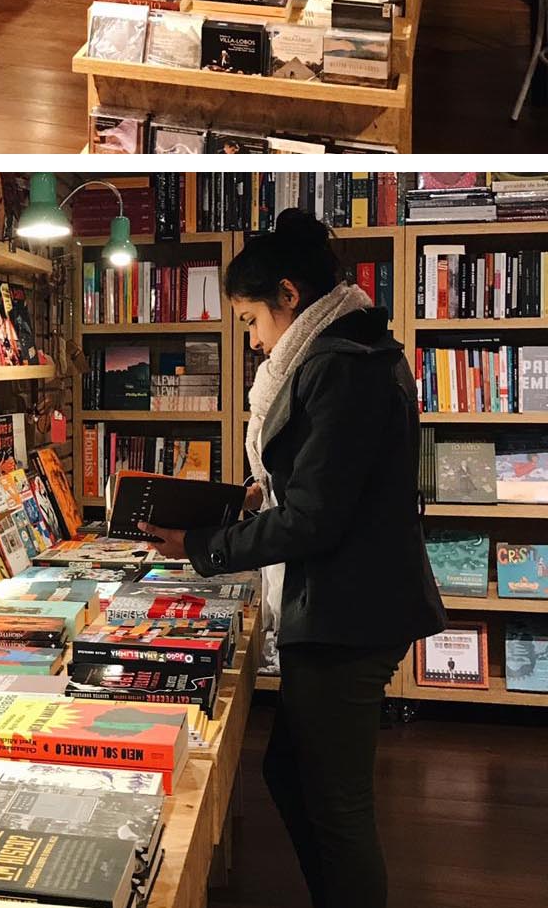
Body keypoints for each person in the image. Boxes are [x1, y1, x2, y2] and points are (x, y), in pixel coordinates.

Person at [139, 208, 444, 908]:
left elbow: (315, 516)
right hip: (343, 604)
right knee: (291, 774)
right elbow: (320, 481)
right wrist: (252, 497)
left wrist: (206, 546)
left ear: (289, 296)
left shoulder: (342, 367)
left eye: (251, 320)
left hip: (349, 614)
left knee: (336, 806)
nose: (250, 340)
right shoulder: (344, 350)